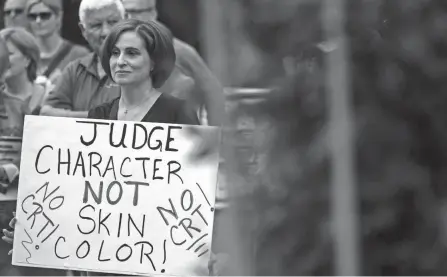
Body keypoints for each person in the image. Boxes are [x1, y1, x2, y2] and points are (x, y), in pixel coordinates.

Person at [121, 0, 225, 126]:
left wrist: (213, 134)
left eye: (137, 12)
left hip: (174, 138)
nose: (131, 18)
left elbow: (214, 92)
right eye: (126, 12)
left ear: (153, 13)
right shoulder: (111, 53)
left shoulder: (179, 52)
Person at [88, 19, 198, 125]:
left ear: (154, 61)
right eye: (115, 53)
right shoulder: (98, 115)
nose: (120, 61)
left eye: (131, 53)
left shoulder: (179, 113)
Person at [40, 0, 126, 118]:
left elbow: (136, 116)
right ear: (83, 30)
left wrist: (71, 117)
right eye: (96, 25)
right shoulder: (75, 70)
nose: (105, 32)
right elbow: (46, 114)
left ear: (126, 22)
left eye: (112, 22)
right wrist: (99, 117)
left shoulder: (141, 66)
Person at [25, 0, 90, 84]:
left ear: (58, 17)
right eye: (32, 16)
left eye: (44, 15)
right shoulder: (24, 55)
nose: (38, 21)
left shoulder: (79, 54)